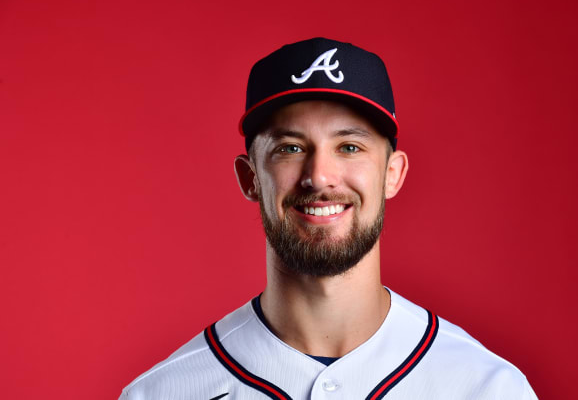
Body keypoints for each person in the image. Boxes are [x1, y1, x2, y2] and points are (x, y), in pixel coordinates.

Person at [120, 37, 538, 400]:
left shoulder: (488, 390)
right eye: (290, 147)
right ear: (251, 178)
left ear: (392, 174)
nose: (319, 176)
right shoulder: (160, 394)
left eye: (350, 147)